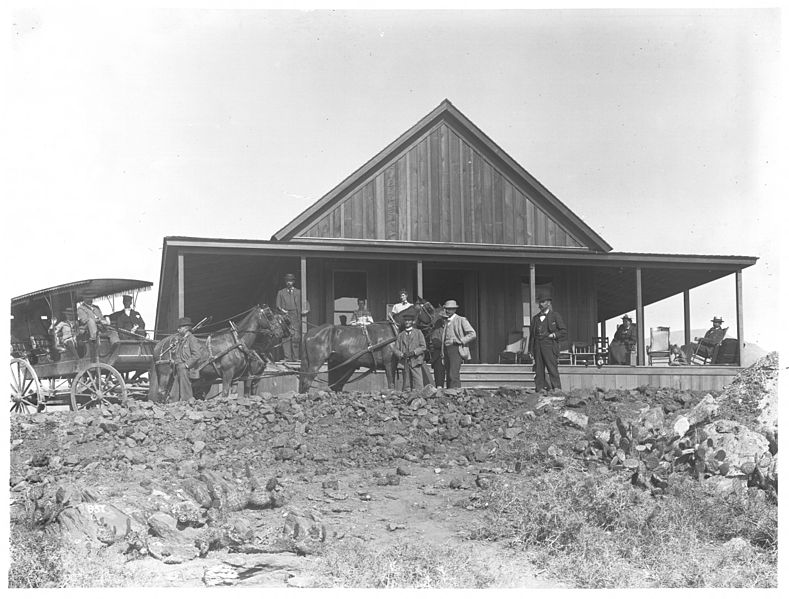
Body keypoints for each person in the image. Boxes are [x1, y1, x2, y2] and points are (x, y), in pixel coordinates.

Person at [527, 295, 567, 392]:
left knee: (552, 368)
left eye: (543, 302)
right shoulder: (535, 318)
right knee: (539, 369)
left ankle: (556, 388)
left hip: (550, 346)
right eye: (539, 302)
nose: (540, 304)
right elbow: (532, 336)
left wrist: (553, 335)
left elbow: (563, 331)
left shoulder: (555, 316)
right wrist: (530, 350)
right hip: (537, 346)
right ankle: (540, 388)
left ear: (548, 303)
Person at [440, 300, 477, 389]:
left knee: (453, 374)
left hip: (456, 349)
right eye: (446, 309)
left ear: (454, 310)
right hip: (446, 349)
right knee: (448, 374)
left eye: (450, 309)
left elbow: (472, 334)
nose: (447, 311)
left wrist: (460, 341)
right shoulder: (446, 321)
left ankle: (455, 393)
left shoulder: (461, 320)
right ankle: (450, 393)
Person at [275, 274, 310, 361]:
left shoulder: (299, 292)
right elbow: (277, 305)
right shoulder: (281, 292)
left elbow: (306, 302)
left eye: (290, 281)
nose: (289, 282)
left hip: (295, 316)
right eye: (287, 281)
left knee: (296, 337)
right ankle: (287, 358)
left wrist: (306, 310)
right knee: (286, 337)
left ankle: (296, 358)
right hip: (285, 316)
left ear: (293, 282)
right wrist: (282, 310)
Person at [170, 317, 203, 403]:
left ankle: (188, 403)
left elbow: (197, 355)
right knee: (174, 392)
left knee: (185, 391)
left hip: (185, 368)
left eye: (180, 328)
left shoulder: (191, 339)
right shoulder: (181, 340)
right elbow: (179, 354)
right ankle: (172, 404)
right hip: (178, 367)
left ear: (185, 328)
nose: (178, 329)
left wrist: (186, 365)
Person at [393, 313, 427, 391]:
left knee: (418, 383)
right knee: (406, 385)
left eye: (409, 320)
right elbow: (395, 349)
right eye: (405, 320)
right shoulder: (401, 335)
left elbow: (423, 347)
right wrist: (401, 354)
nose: (407, 322)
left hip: (415, 361)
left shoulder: (418, 332)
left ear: (413, 322)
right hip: (405, 362)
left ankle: (419, 398)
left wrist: (414, 352)